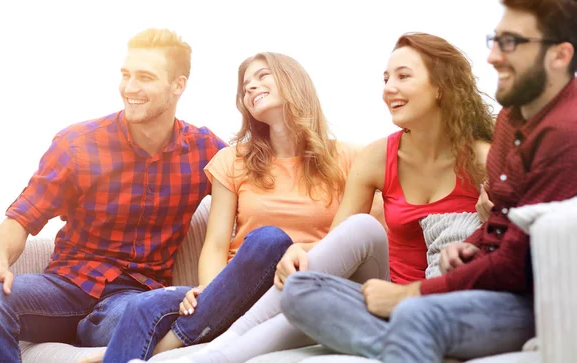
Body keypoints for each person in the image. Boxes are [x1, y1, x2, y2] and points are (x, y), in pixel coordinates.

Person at [170, 32, 495, 363]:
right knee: (359, 230)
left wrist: (492, 213)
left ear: (440, 86)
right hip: (381, 293)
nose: (388, 88)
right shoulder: (377, 157)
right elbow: (341, 242)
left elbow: (512, 243)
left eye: (403, 76)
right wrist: (299, 252)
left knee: (313, 293)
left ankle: (214, 353)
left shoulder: (486, 161)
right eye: (385, 79)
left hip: (443, 298)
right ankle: (220, 348)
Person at [282, 0, 577, 362]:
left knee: (415, 314)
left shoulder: (565, 132)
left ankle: (417, 335)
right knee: (301, 289)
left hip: (525, 300)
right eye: (494, 41)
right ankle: (421, 343)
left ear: (560, 56)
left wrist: (413, 294)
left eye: (510, 43)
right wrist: (470, 244)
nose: (493, 57)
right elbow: (504, 225)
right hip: (474, 286)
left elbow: (515, 266)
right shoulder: (511, 122)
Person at [97, 52, 367, 363]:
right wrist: (209, 291)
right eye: (245, 85)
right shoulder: (233, 160)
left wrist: (303, 249)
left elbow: (357, 238)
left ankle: (171, 346)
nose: (251, 87)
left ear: (294, 82)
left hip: (302, 281)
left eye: (263, 76)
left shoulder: (348, 159)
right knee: (141, 306)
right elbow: (215, 244)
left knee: (271, 240)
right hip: (239, 288)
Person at [0, 28, 227, 363]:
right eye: (126, 75)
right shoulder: (78, 143)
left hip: (130, 301)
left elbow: (254, 185)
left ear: (178, 85)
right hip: (65, 288)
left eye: (145, 77)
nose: (130, 88)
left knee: (158, 305)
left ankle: (104, 342)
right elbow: (22, 216)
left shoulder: (205, 150)